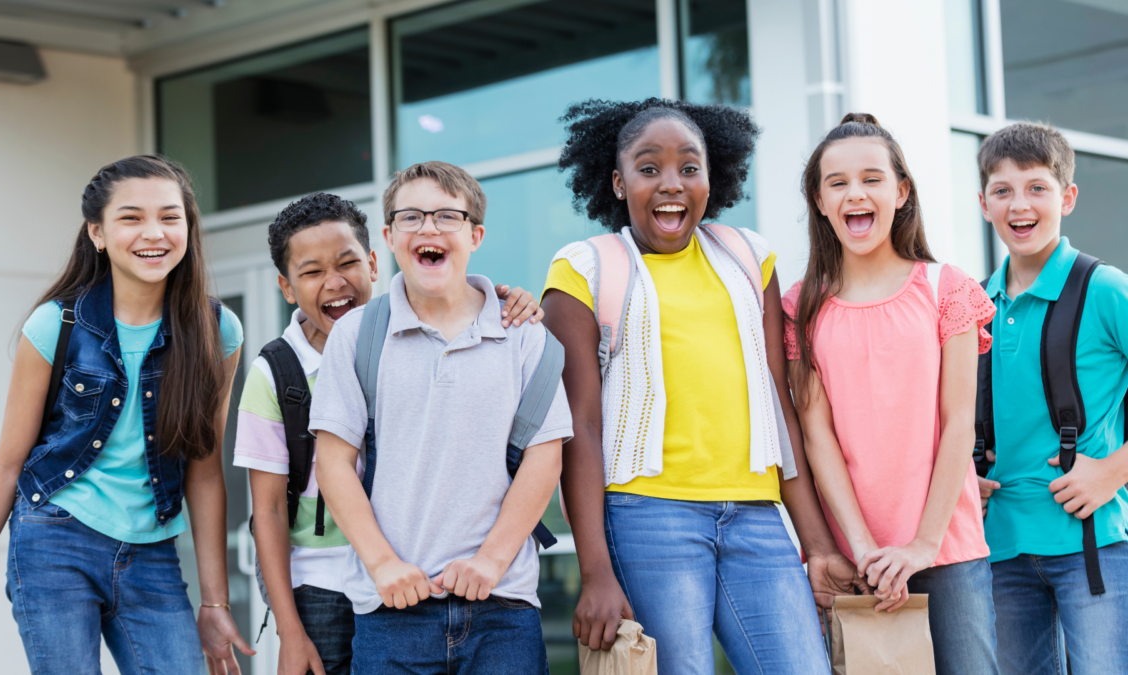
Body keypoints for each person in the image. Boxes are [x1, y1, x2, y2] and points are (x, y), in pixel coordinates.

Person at [543, 98, 854, 675]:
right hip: (647, 516)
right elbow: (577, 428)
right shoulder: (584, 268)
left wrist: (818, 545)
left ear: (712, 178)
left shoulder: (747, 257)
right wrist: (595, 572)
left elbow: (777, 403)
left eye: (690, 168)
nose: (671, 184)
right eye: (648, 168)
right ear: (617, 182)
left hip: (758, 517)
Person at [0, 155, 254, 674]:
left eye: (171, 217)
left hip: (152, 552)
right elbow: (9, 463)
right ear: (98, 233)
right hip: (54, 539)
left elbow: (205, 470)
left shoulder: (218, 332)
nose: (155, 232)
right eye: (132, 217)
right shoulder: (56, 325)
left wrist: (214, 604)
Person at [235, 191, 545, 675]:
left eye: (347, 263)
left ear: (375, 262)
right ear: (287, 287)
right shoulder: (275, 373)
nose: (335, 282)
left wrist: (503, 300)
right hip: (324, 584)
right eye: (312, 272)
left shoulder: (399, 338)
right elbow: (270, 511)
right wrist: (290, 631)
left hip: (415, 576)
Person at [309, 161, 572, 674]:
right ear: (389, 236)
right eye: (411, 217)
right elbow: (334, 462)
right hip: (391, 612)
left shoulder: (522, 334)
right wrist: (383, 564)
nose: (428, 228)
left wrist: (491, 561)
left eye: (447, 216)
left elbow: (545, 457)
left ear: (474, 235)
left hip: (503, 611)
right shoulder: (358, 334)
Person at [784, 113, 998, 675]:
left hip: (947, 549)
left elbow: (958, 424)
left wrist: (923, 545)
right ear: (819, 199)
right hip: (857, 559)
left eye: (872, 178)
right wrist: (861, 548)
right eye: (838, 182)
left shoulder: (947, 288)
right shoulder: (799, 306)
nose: (856, 193)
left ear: (901, 192)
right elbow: (816, 435)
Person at [974, 122, 1128, 674]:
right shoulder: (973, 304)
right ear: (984, 203)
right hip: (1000, 552)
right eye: (1003, 190)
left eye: (1037, 187)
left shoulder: (1106, 288)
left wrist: (1113, 471)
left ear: (1067, 197)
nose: (1020, 204)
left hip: (1095, 547)